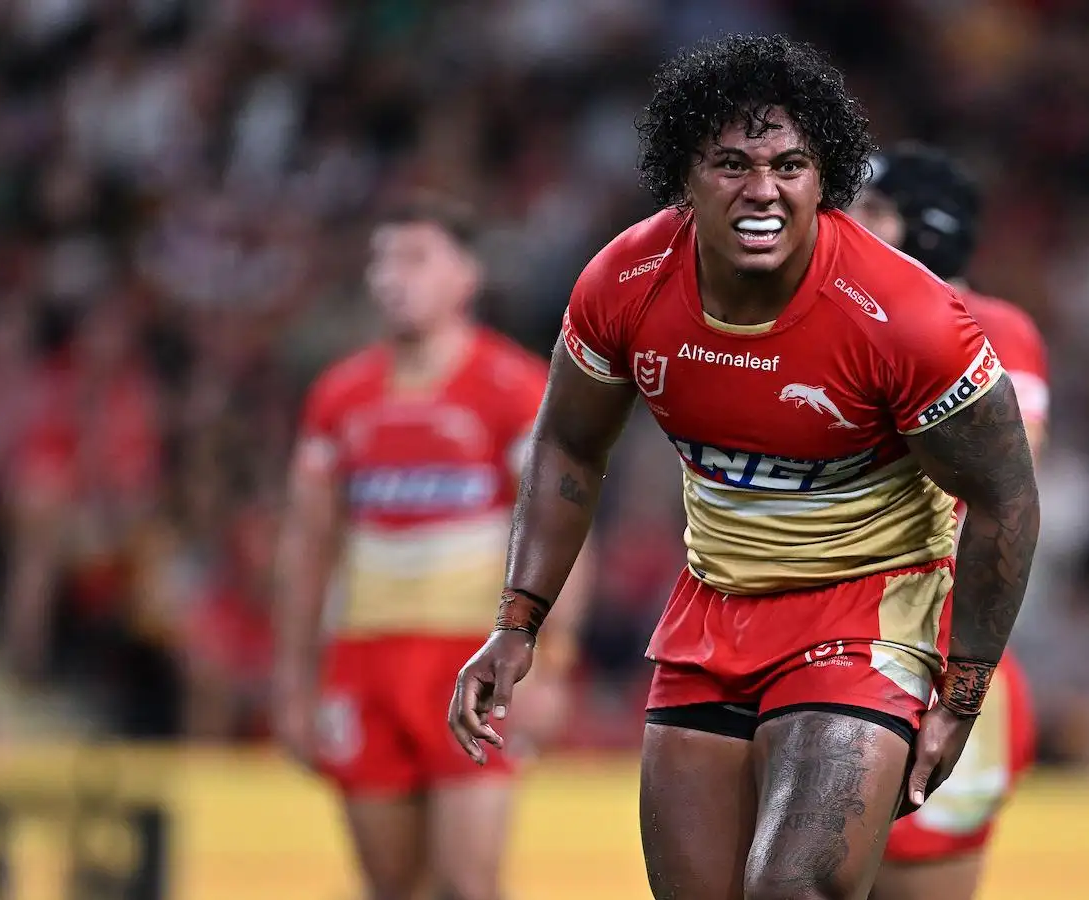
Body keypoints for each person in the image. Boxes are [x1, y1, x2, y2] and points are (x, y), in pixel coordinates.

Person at [448, 35, 1040, 900]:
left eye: (789, 165)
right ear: (684, 175)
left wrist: (963, 692)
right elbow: (569, 443)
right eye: (731, 163)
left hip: (863, 617)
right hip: (710, 618)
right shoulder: (624, 282)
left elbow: (1007, 497)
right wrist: (517, 620)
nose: (762, 189)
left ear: (823, 178)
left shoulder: (906, 316)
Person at [273, 193, 592, 900]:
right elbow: (308, 543)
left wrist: (553, 663)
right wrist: (294, 681)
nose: (393, 276)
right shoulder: (340, 397)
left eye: (415, 258)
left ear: (465, 276)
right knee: (390, 886)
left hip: (470, 658)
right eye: (382, 259)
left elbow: (558, 531)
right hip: (364, 658)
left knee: (468, 884)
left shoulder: (513, 389)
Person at [849, 144, 1048, 900]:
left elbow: (1007, 478)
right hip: (834, 646)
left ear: (926, 229)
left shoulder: (994, 329)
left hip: (935, 661)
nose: (848, 225)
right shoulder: (834, 317)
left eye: (873, 210)